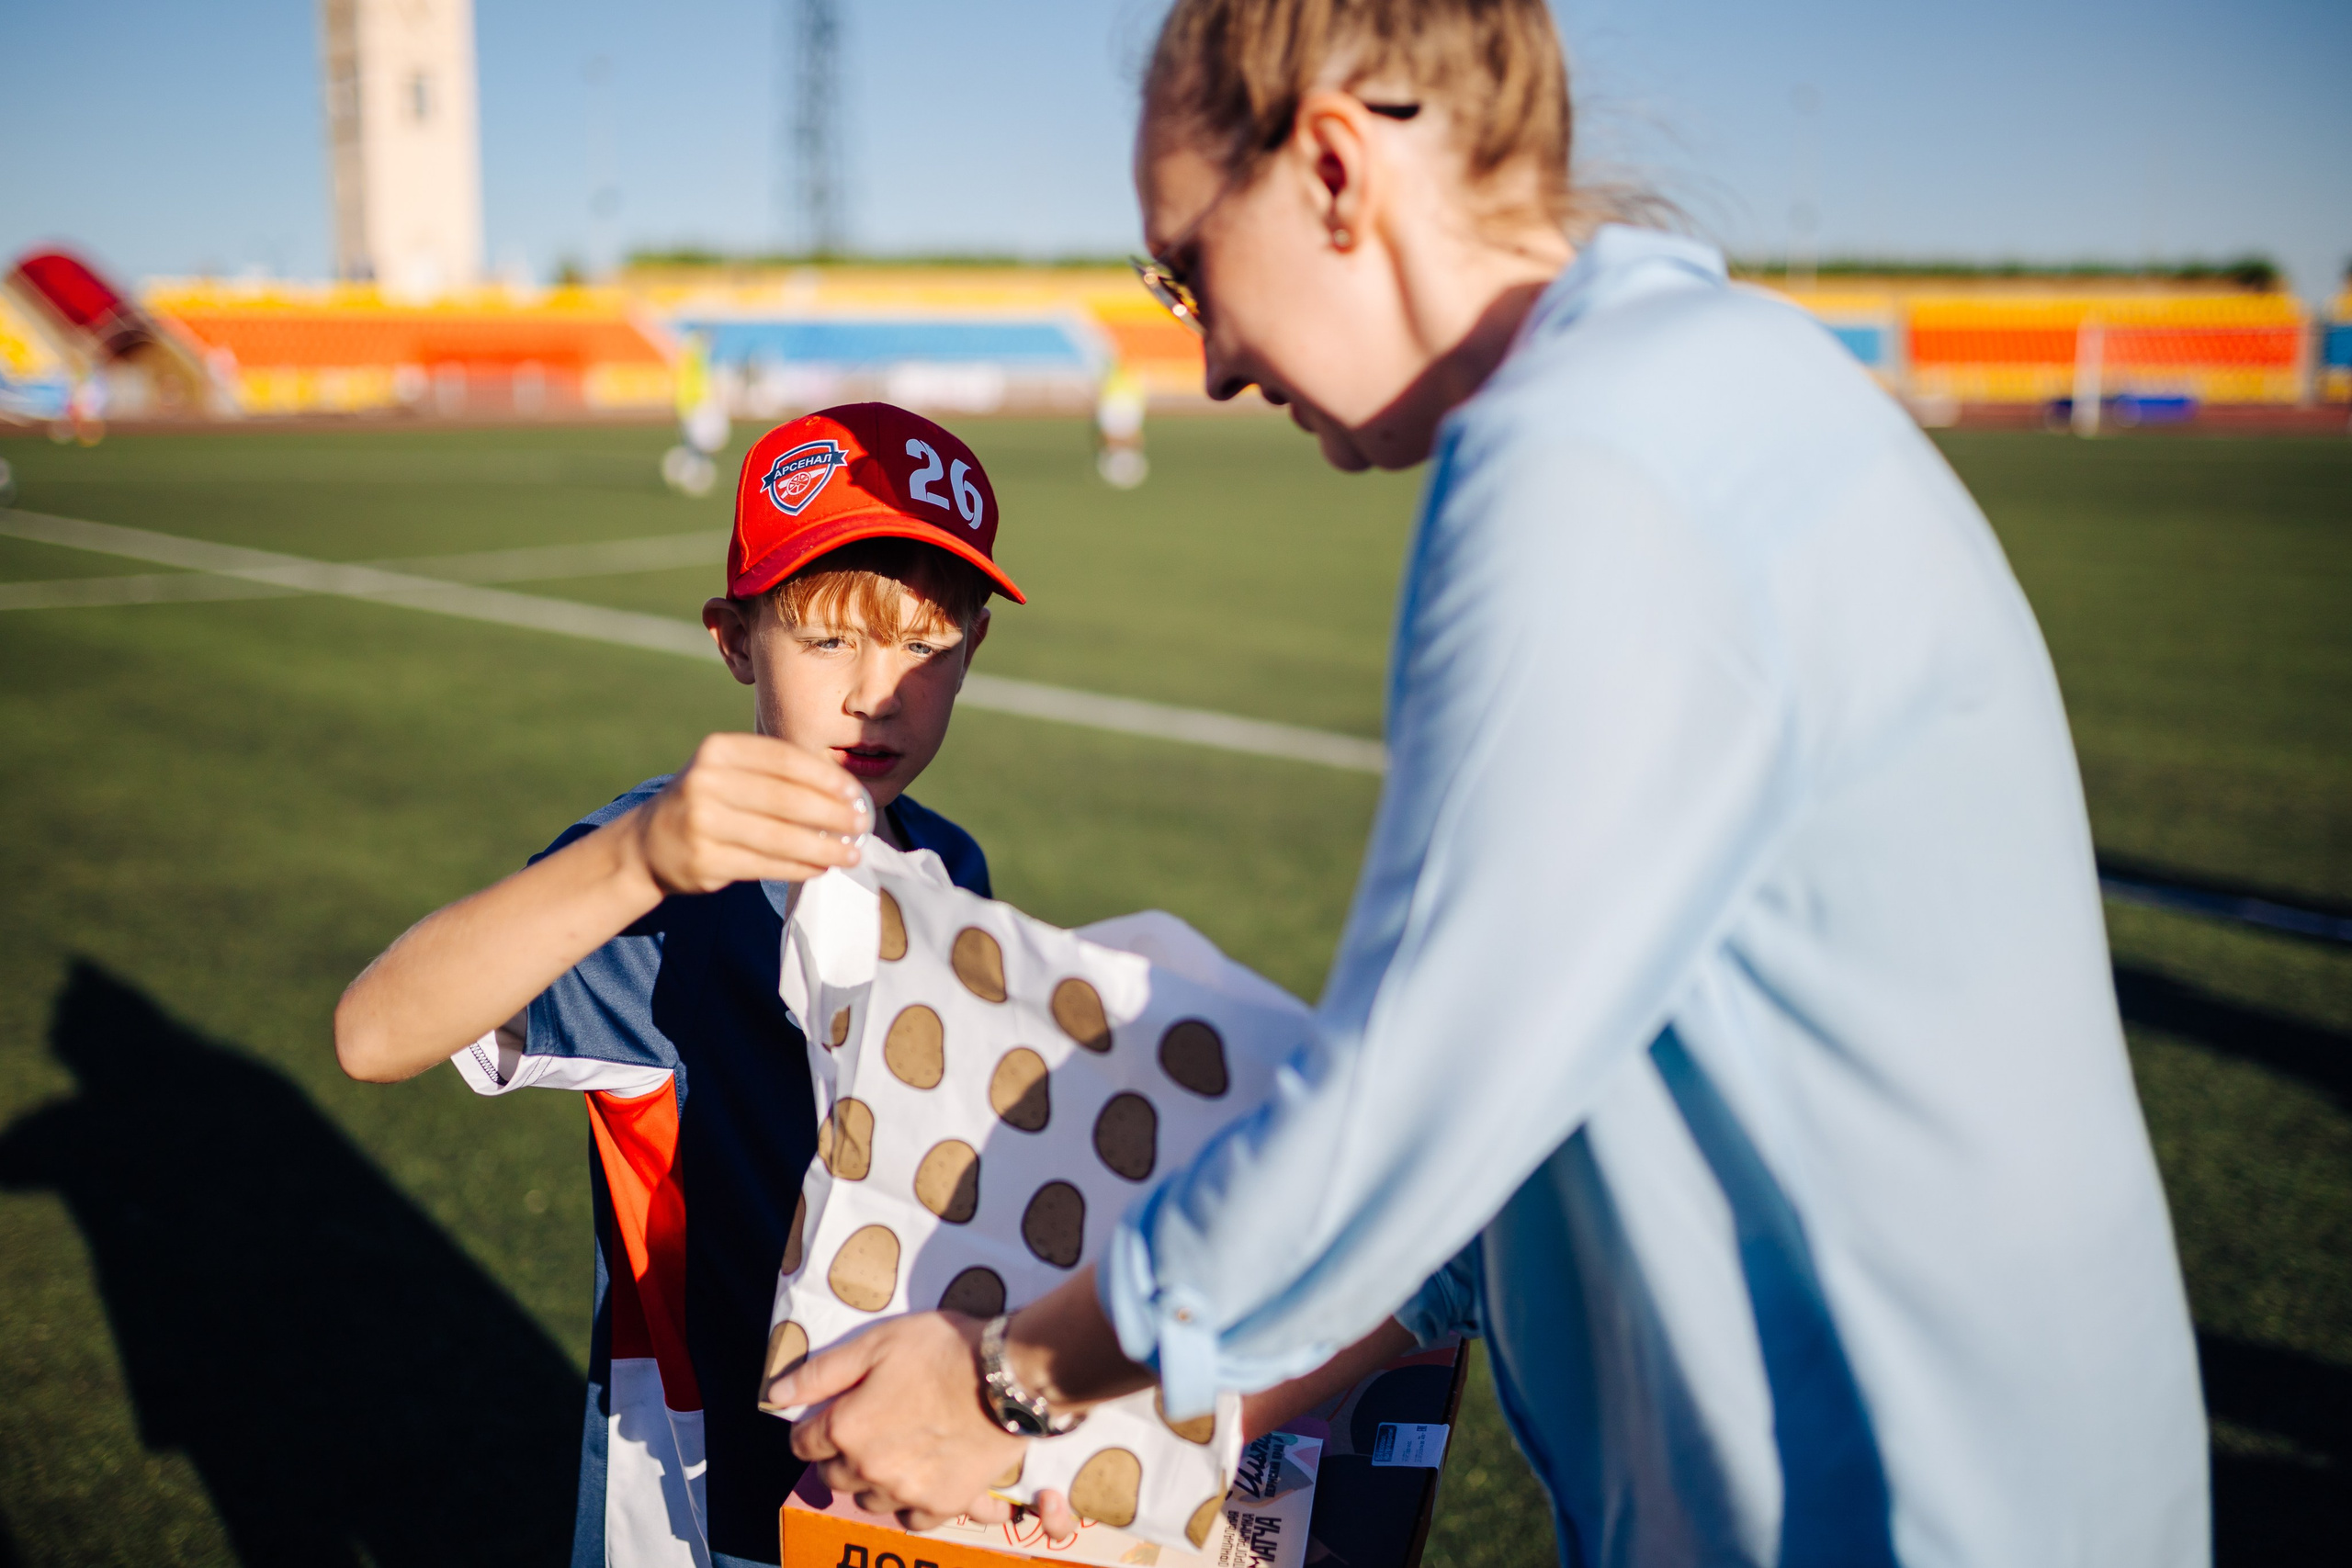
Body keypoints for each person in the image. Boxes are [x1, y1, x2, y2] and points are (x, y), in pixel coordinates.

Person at [768, 3, 2211, 1564]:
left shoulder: (1595, 458)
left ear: (1333, 168)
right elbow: (1525, 1122)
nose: (1213, 363)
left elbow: (1416, 1092)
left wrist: (1008, 1378)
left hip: (1909, 1507)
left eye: (1189, 267)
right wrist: (1156, 1439)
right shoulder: (1687, 389)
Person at [334, 403, 1023, 1568]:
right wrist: (637, 856)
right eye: (827, 641)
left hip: (896, 1463)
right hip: (705, 1494)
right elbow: (375, 1031)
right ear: (733, 640)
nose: (879, 690)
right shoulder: (656, 878)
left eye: (925, 643)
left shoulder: (946, 861)